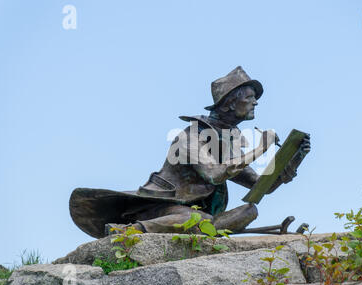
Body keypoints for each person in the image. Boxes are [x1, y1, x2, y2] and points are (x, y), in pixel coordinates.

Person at [69, 66, 310, 238]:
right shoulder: (189, 136)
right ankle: (132, 230)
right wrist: (260, 148)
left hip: (198, 214)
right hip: (161, 207)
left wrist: (293, 161)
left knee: (249, 210)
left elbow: (260, 186)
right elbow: (214, 174)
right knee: (196, 219)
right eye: (250, 97)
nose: (255, 102)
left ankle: (201, 233)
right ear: (229, 102)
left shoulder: (227, 143)